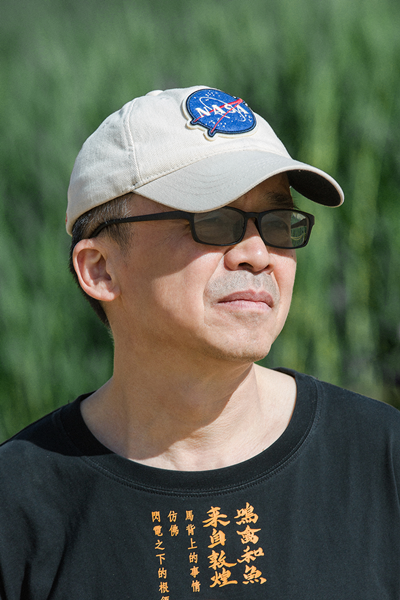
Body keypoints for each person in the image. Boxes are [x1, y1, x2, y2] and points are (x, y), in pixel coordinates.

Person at [1, 85, 399, 599]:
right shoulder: (19, 504)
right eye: (213, 221)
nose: (258, 254)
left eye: (278, 223)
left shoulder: (382, 459)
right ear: (100, 269)